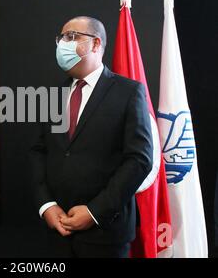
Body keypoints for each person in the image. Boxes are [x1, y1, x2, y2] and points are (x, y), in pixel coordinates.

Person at [30, 16, 153, 258]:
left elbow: (139, 160)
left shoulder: (128, 92)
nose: (62, 44)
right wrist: (47, 206)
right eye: (60, 38)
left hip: (106, 233)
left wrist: (95, 211)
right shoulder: (52, 95)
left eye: (71, 36)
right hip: (57, 230)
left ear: (96, 44)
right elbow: (38, 151)